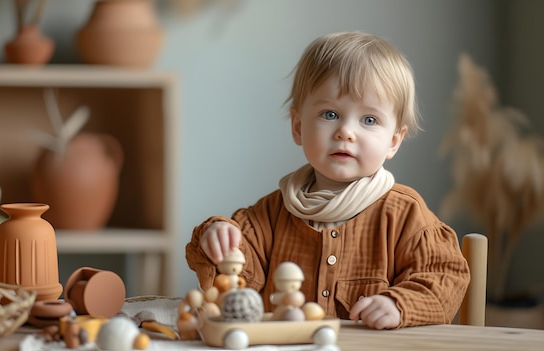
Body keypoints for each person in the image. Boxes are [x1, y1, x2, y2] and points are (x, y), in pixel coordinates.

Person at [185, 31, 470, 330]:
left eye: (369, 120)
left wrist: (399, 305)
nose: (346, 131)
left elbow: (445, 276)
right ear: (298, 127)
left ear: (393, 141)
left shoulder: (405, 215)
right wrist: (217, 236)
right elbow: (237, 282)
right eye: (330, 114)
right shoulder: (269, 215)